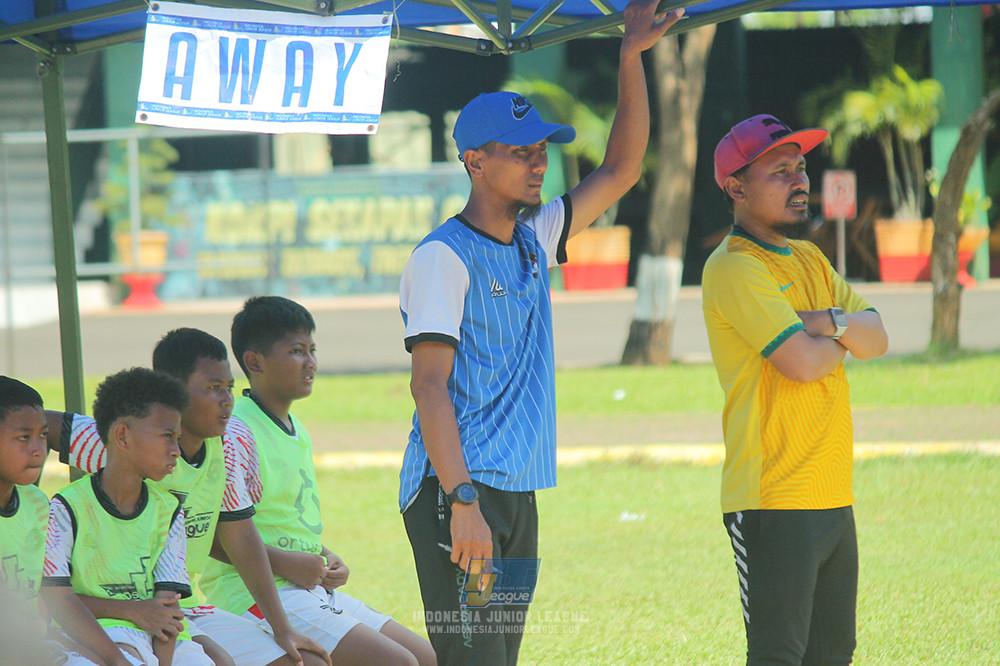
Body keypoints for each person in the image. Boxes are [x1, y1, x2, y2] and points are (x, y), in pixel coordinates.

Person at [396, 0, 684, 662]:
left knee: (498, 657)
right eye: (521, 152)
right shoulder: (443, 257)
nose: (538, 164)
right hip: (459, 490)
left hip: (515, 490)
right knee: (473, 657)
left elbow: (622, 170)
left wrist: (630, 55)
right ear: (474, 161)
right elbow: (429, 387)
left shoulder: (535, 235)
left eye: (541, 151)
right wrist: (462, 500)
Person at [702, 114, 889, 665]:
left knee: (834, 653)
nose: (799, 181)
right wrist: (844, 334)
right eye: (779, 171)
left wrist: (824, 321)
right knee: (778, 654)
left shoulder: (810, 258)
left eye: (801, 167)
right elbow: (805, 365)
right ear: (736, 187)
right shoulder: (734, 267)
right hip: (772, 498)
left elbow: (878, 337)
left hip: (832, 491)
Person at [45, 328, 331, 666]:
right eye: (213, 387)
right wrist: (19, 495)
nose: (227, 399)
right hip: (113, 617)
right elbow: (36, 425)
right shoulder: (120, 439)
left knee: (302, 662)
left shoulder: (226, 446)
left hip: (182, 608)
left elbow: (240, 538)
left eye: (229, 387)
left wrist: (282, 628)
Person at [199, 295, 436, 666]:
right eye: (296, 351)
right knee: (397, 663)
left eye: (312, 350)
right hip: (255, 595)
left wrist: (324, 555)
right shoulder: (236, 432)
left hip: (308, 587)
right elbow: (211, 535)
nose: (310, 362)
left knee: (427, 657)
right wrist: (286, 563)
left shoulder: (298, 430)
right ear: (254, 362)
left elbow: (285, 522)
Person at [40, 367, 212, 666]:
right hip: (93, 633)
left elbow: (167, 610)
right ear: (122, 435)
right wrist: (129, 624)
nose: (176, 450)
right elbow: (59, 599)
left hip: (158, 638)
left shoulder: (169, 510)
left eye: (178, 438)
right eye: (167, 436)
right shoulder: (66, 507)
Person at [0, 376, 102, 666]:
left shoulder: (36, 502)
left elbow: (53, 595)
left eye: (43, 435)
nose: (39, 450)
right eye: (24, 437)